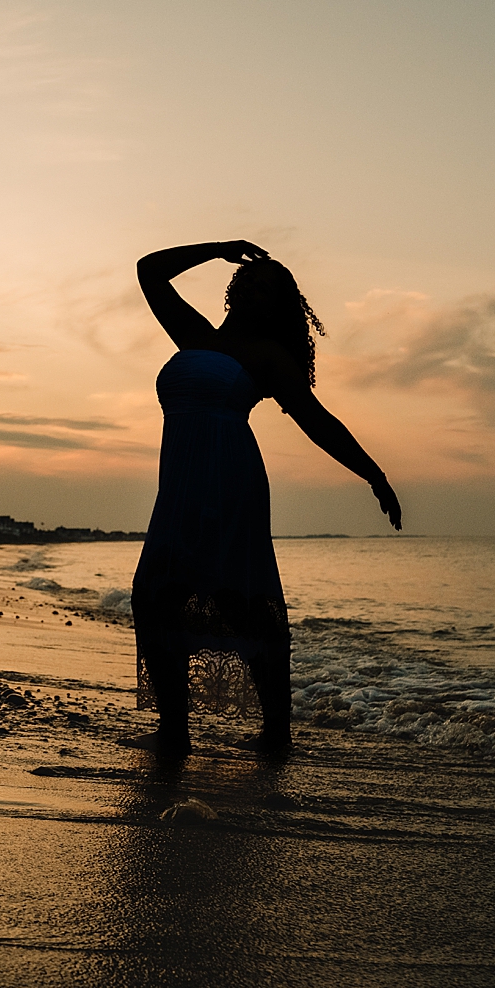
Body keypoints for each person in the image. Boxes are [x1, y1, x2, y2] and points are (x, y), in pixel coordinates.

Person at [127, 240, 401, 759]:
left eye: (267, 287)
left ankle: (277, 731)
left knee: (242, 601)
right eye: (250, 279)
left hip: (231, 484)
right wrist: (219, 248)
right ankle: (174, 732)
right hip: (179, 486)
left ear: (278, 306)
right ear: (234, 286)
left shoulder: (268, 357)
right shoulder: (195, 335)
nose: (253, 287)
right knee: (155, 596)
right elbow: (149, 271)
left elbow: (317, 421)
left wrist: (374, 475)